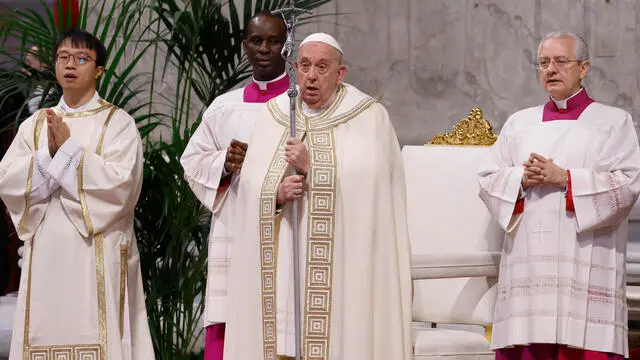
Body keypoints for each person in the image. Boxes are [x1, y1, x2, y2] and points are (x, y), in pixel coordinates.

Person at [223, 32, 412, 360]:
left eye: (322, 67)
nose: (311, 76)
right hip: (286, 256)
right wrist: (277, 194)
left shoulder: (369, 116)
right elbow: (252, 185)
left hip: (344, 264)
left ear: (340, 74)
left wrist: (314, 168)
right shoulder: (276, 114)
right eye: (305, 65)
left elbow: (373, 189)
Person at [478, 31, 640, 360]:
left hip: (584, 256)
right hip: (530, 263)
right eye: (543, 62)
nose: (551, 69)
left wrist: (564, 178)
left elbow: (627, 184)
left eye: (561, 61)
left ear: (584, 67)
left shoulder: (613, 122)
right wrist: (521, 177)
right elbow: (488, 179)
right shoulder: (518, 123)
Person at [0, 28, 154, 359]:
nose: (71, 65)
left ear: (99, 70)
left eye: (82, 58)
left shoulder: (118, 123)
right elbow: (7, 180)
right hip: (47, 255)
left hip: (96, 252)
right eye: (64, 57)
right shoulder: (35, 125)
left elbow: (122, 186)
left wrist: (68, 152)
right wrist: (48, 158)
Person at [179, 10, 290, 360]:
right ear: (245, 46)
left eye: (273, 40)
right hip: (234, 228)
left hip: (286, 224)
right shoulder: (224, 107)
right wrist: (223, 165)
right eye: (257, 40)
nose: (265, 48)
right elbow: (191, 162)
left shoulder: (303, 103)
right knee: (231, 315)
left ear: (286, 45)